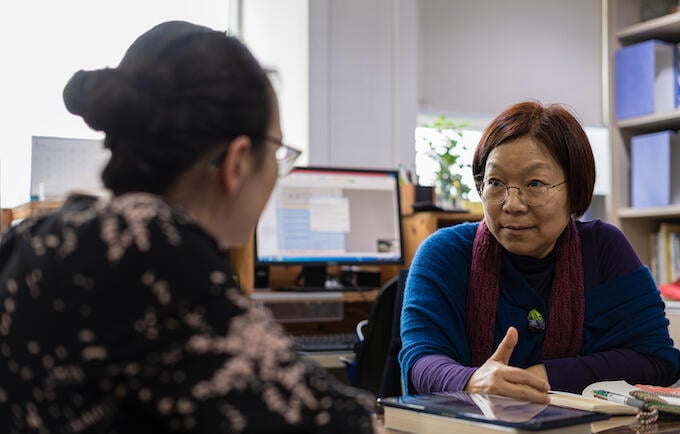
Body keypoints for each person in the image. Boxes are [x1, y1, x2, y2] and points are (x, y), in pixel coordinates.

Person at [0, 21, 379, 433]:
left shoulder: (32, 236)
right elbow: (327, 423)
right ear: (237, 161)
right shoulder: (155, 251)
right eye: (278, 152)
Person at [399, 101, 680, 404]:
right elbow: (420, 359)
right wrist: (470, 381)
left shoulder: (603, 249)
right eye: (495, 183)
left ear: (574, 190)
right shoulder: (444, 253)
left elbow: (657, 360)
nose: (512, 204)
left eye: (534, 184)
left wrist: (545, 376)